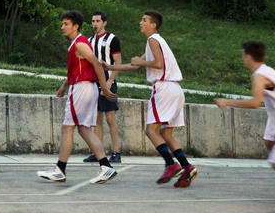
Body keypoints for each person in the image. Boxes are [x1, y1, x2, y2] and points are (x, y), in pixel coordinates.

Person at [104, 11, 197, 187]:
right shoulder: (157, 41)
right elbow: (135, 65)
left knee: (151, 131)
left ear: (153, 25)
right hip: (175, 90)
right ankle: (187, 167)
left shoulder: (152, 40)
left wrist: (141, 62)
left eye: (144, 20)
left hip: (163, 89)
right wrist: (111, 67)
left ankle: (171, 164)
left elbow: (158, 64)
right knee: (166, 134)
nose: (141, 22)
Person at [37, 11, 117, 184]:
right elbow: (78, 70)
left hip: (82, 89)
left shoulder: (80, 44)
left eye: (66, 24)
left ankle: (60, 170)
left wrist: (104, 87)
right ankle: (106, 167)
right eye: (62, 23)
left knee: (68, 128)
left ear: (76, 26)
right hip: (83, 87)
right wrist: (64, 85)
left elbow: (96, 64)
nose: (62, 27)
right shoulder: (77, 43)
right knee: (84, 129)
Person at [214, 41, 275, 169]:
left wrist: (226, 102)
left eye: (243, 55)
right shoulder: (267, 71)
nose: (243, 58)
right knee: (269, 142)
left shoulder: (260, 75)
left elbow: (255, 103)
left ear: (248, 56)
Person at [83, 11, 122, 164]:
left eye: (98, 21)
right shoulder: (89, 41)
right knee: (97, 118)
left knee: (110, 117)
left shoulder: (112, 39)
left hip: (107, 80)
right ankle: (98, 152)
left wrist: (110, 81)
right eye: (93, 21)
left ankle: (116, 152)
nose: (95, 24)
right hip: (94, 81)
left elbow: (118, 62)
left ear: (104, 23)